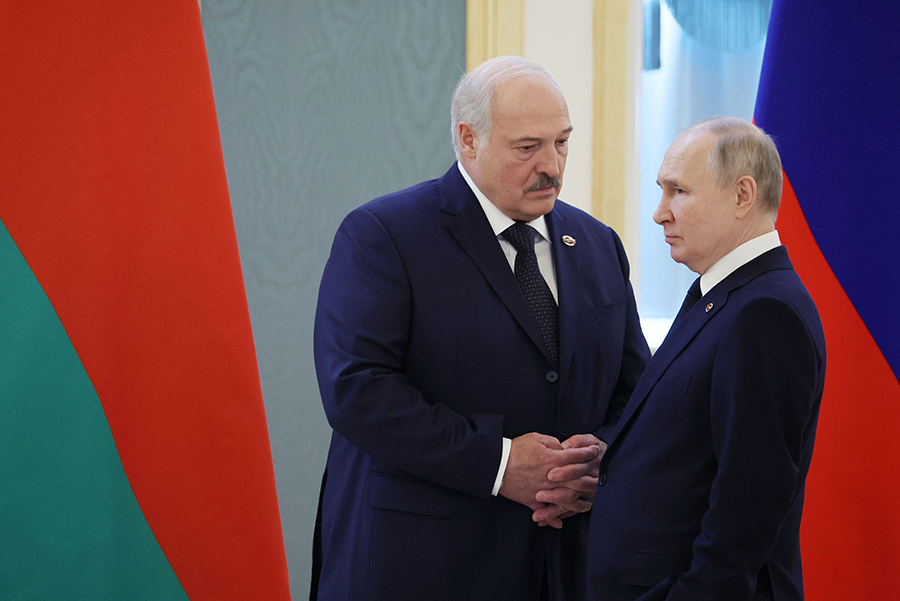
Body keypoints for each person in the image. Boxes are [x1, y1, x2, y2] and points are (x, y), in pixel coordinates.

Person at [311, 56, 649, 601]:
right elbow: (357, 390)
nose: (553, 166)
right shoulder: (384, 235)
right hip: (423, 566)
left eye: (562, 142)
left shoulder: (597, 244)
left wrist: (591, 464)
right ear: (468, 139)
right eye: (528, 147)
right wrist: (498, 463)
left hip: (563, 566)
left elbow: (637, 392)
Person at [581, 116, 826, 600]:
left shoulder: (764, 312)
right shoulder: (720, 294)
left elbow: (747, 508)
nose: (659, 213)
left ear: (742, 195)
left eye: (678, 192)